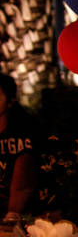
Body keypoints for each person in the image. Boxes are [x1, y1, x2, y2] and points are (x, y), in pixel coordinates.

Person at [0, 73, 36, 222]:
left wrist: (13, 212)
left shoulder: (24, 130)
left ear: (10, 101)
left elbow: (25, 175)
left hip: (20, 210)